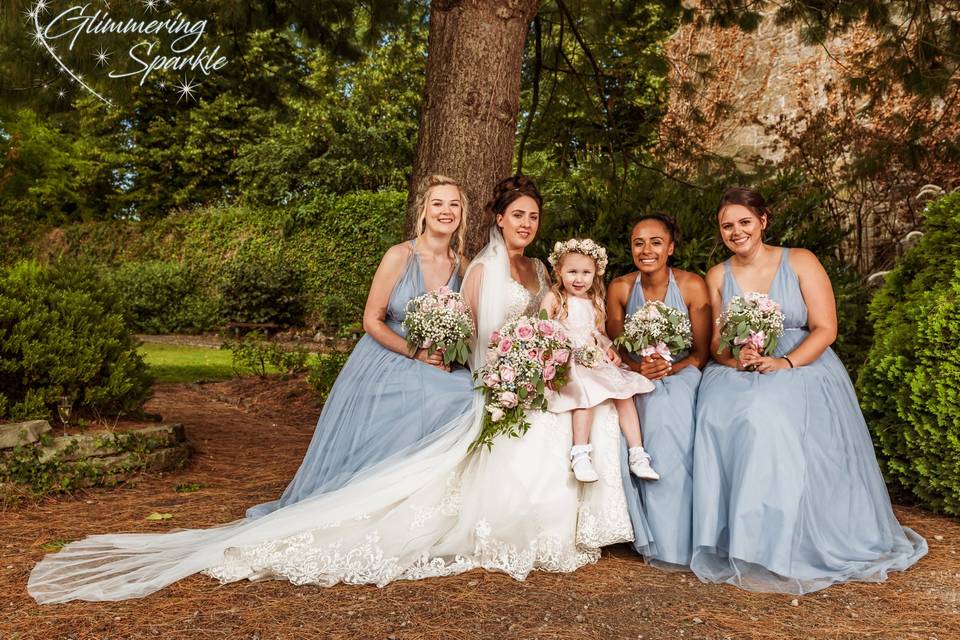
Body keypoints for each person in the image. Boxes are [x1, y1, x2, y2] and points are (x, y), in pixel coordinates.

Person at [28, 176, 637, 604]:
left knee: (585, 412)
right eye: (439, 203)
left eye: (533, 216)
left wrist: (552, 361)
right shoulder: (453, 264)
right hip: (469, 370)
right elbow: (436, 329)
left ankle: (593, 524)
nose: (525, 223)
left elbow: (544, 323)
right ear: (447, 212)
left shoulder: (506, 269)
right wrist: (473, 368)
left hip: (522, 373)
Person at [690, 186, 927, 593]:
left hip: (802, 360)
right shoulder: (717, 276)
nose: (736, 231)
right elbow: (715, 344)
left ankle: (785, 541)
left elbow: (825, 329)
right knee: (715, 411)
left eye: (744, 222)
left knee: (766, 416)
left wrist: (784, 362)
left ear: (763, 221)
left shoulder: (800, 260)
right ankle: (741, 540)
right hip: (740, 365)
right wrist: (737, 355)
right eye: (727, 226)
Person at [246, 174, 474, 518]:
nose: (446, 211)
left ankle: (428, 504)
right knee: (434, 394)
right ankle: (375, 495)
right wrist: (416, 352)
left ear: (462, 214)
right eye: (438, 203)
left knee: (468, 394)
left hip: (435, 361)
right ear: (423, 211)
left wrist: (445, 352)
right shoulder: (399, 256)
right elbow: (372, 320)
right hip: (389, 356)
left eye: (454, 204)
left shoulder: (464, 267)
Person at [606, 214, 711, 568]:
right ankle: (643, 529)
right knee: (633, 409)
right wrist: (640, 369)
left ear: (671, 247)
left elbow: (700, 353)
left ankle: (677, 536)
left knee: (669, 414)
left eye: (655, 242)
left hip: (682, 373)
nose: (646, 249)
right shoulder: (620, 288)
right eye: (638, 242)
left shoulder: (693, 286)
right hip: (635, 373)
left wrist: (669, 368)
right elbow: (618, 349)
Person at [540, 238, 657, 483]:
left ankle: (637, 453)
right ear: (559, 272)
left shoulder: (594, 302)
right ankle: (580, 454)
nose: (579, 279)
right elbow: (541, 329)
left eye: (586, 273)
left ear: (595, 274)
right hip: (568, 359)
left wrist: (610, 349)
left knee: (624, 394)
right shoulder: (554, 299)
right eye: (572, 272)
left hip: (593, 358)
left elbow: (600, 334)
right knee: (585, 394)